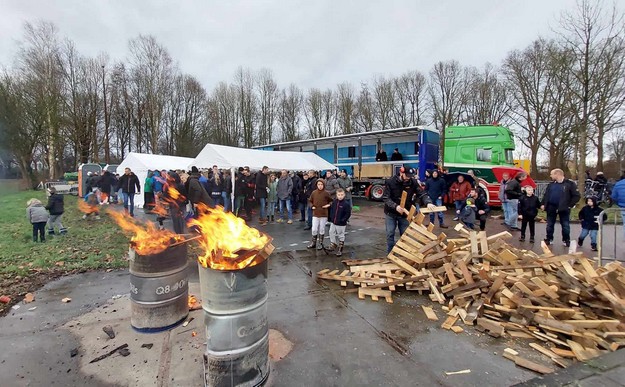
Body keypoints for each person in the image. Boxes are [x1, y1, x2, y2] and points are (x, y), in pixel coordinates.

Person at [383, 167, 436, 253]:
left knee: (405, 234)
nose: (408, 178)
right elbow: (386, 197)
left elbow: (422, 193)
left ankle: (404, 253)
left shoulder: (413, 182)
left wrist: (428, 202)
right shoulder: (390, 182)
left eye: (410, 176)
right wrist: (395, 206)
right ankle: (390, 253)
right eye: (407, 176)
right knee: (390, 233)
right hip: (391, 213)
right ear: (401, 173)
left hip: (405, 213)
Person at [540, 168, 581, 247]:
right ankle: (549, 239)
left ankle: (566, 240)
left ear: (557, 174)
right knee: (550, 224)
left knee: (565, 225)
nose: (550, 176)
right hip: (551, 207)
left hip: (564, 208)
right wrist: (543, 204)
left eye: (552, 174)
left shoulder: (570, 184)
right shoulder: (551, 185)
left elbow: (576, 196)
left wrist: (569, 205)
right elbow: (546, 195)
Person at [308, 179, 332, 250]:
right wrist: (312, 206)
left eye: (321, 184)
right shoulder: (314, 193)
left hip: (324, 214)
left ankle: (321, 243)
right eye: (318, 184)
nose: (320, 186)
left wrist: (328, 205)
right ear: (316, 185)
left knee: (322, 229)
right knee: (314, 229)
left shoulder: (326, 193)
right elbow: (310, 201)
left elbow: (331, 201)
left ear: (324, 185)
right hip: (315, 213)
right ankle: (313, 243)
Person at [328, 188, 352, 256]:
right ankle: (333, 244)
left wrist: (343, 220)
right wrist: (331, 218)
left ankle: (340, 248)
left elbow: (348, 214)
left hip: (341, 224)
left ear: (344, 195)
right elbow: (332, 210)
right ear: (336, 195)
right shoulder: (334, 202)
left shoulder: (346, 204)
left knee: (340, 235)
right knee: (331, 232)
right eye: (339, 195)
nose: (340, 196)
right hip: (333, 222)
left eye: (342, 195)